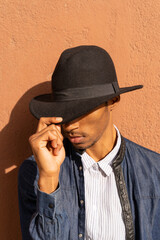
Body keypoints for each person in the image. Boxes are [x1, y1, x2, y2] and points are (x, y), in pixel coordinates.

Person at [18, 45, 160, 240]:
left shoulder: (154, 172)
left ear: (113, 101)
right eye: (64, 113)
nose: (70, 125)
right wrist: (49, 178)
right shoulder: (35, 172)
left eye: (82, 110)